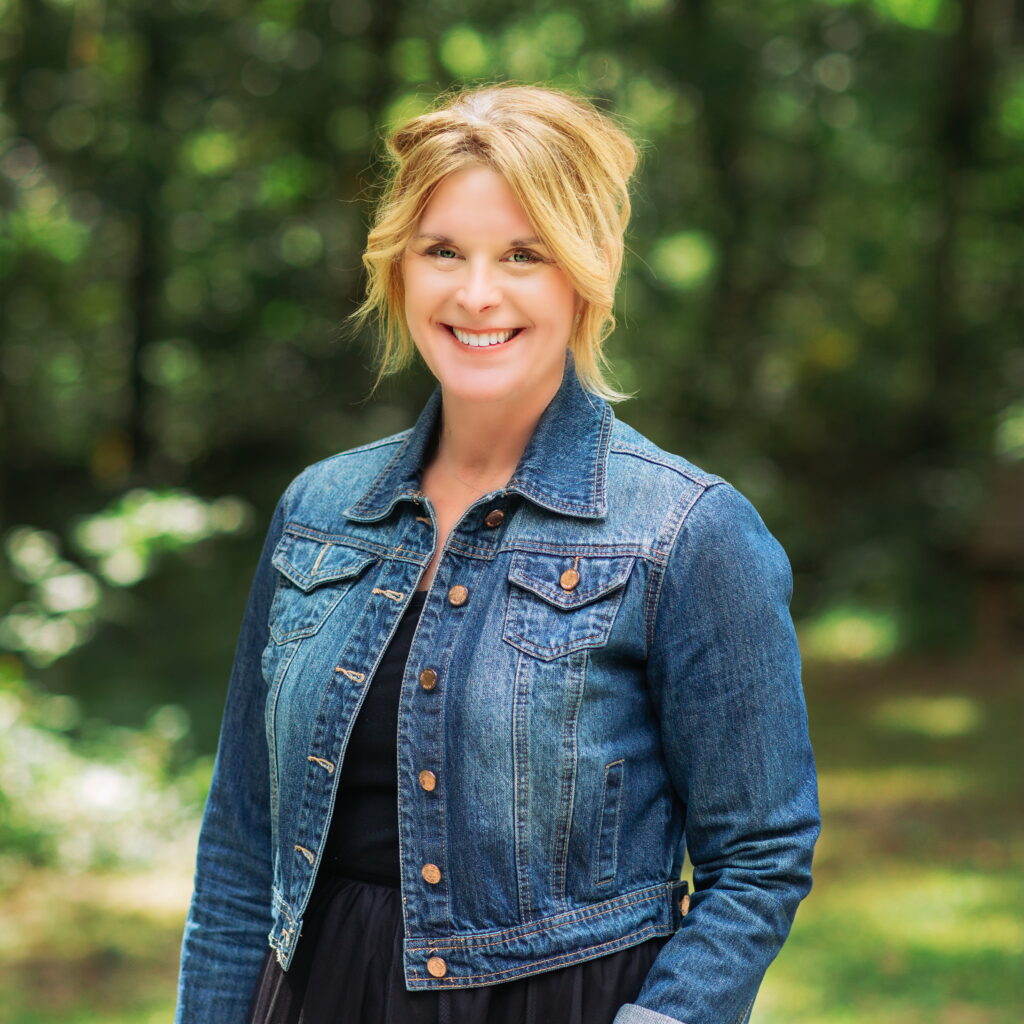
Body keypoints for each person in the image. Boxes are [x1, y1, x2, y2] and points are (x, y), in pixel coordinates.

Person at [175, 83, 820, 1024]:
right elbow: (242, 839)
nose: (477, 293)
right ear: (400, 268)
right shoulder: (319, 510)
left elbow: (760, 859)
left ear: (584, 273)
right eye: (444, 251)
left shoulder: (688, 530)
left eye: (524, 254)